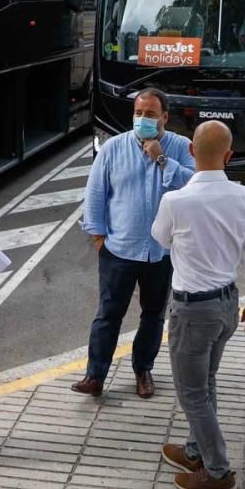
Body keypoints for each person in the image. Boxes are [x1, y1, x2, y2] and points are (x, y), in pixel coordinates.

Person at [151, 121, 245, 489]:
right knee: (207, 381)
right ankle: (193, 450)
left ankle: (218, 471)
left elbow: (159, 237)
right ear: (229, 156)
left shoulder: (176, 201)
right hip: (227, 305)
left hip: (192, 312)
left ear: (190, 152)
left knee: (192, 394)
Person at [73, 89, 196, 398]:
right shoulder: (113, 148)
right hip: (118, 250)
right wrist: (99, 238)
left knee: (153, 316)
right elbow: (96, 195)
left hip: (162, 251)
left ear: (165, 117)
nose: (142, 119)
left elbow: (194, 188)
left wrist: (162, 159)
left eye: (150, 114)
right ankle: (95, 375)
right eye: (138, 113)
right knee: (107, 315)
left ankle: (143, 370)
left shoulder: (182, 147)